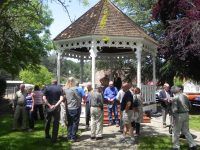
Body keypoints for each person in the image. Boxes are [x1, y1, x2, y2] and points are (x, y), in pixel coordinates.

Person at [171, 86, 197, 150]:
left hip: (179, 115)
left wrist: (173, 117)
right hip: (186, 114)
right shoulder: (185, 96)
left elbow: (174, 110)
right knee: (186, 131)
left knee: (176, 132)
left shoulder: (175, 98)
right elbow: (190, 106)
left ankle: (176, 147)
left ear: (174, 91)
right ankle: (193, 145)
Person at [64, 77, 82, 142]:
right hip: (75, 107)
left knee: (70, 122)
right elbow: (78, 98)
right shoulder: (74, 89)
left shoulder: (65, 89)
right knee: (75, 122)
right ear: (73, 81)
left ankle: (69, 136)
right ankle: (73, 137)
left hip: (68, 108)